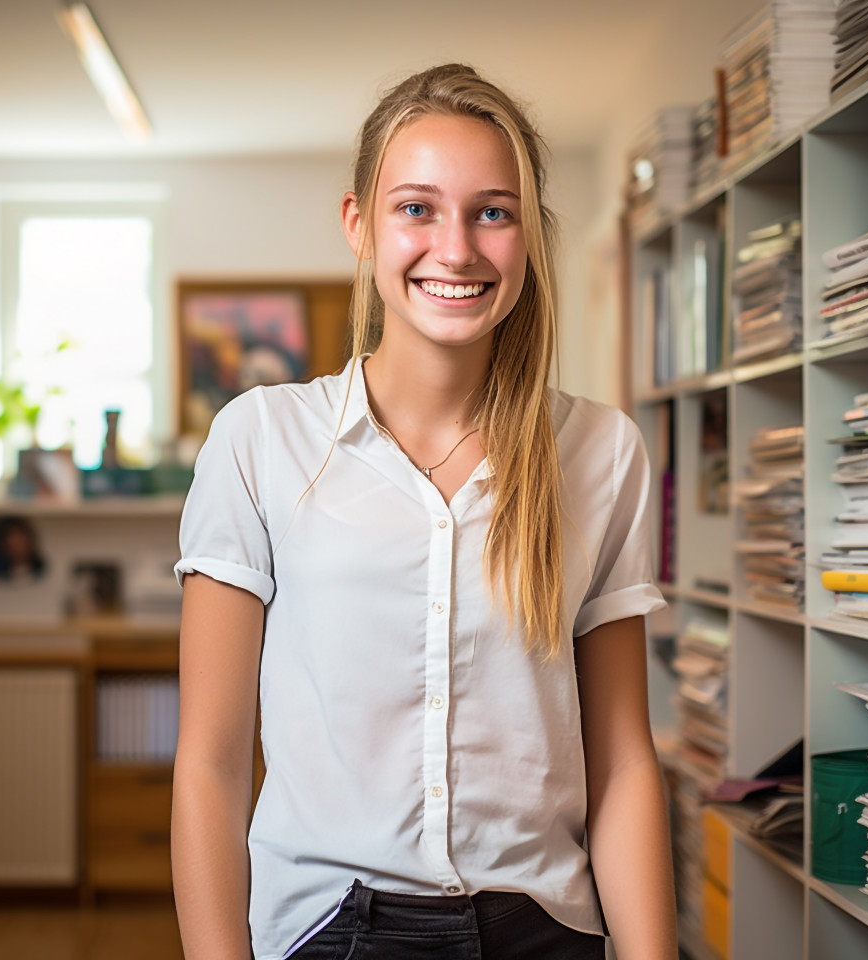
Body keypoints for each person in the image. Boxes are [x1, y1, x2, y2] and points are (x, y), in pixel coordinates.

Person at [171, 63, 677, 960]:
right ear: (358, 224)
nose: (457, 248)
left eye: (493, 211)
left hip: (546, 928)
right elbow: (210, 764)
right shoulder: (260, 441)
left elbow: (624, 761)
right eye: (417, 208)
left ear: (528, 236)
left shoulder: (602, 453)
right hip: (330, 931)